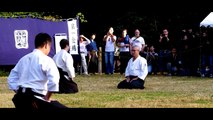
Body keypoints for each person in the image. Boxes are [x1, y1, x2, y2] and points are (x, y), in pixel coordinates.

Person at [7, 32, 68, 110]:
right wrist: (47, 98)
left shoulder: (23, 59)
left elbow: (11, 78)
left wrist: (20, 92)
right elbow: (54, 81)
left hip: (19, 99)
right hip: (35, 99)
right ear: (46, 45)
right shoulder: (47, 60)